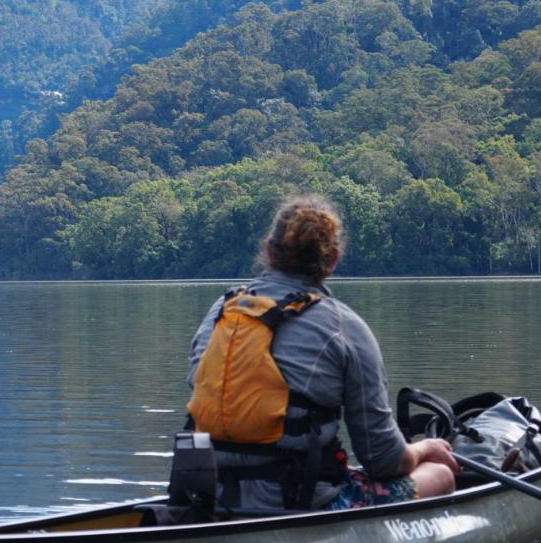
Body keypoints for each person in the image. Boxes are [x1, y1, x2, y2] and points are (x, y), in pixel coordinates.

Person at [183, 195, 458, 511]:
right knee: (440, 475)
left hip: (209, 498)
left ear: (269, 250)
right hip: (300, 503)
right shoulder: (344, 327)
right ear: (333, 260)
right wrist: (424, 448)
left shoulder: (220, 312)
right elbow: (383, 460)